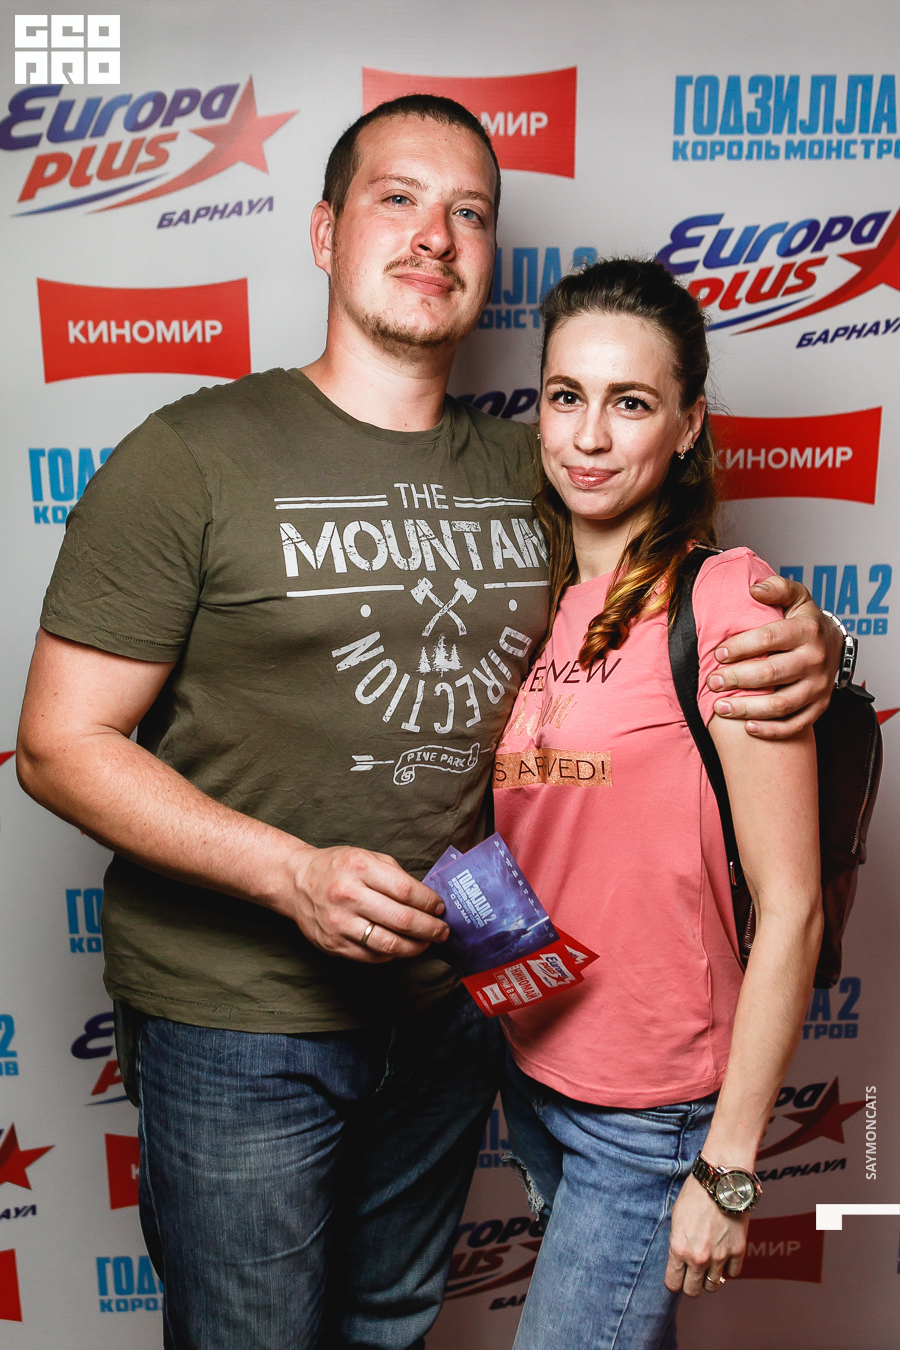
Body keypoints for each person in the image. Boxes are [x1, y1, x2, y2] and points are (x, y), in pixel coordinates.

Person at [16, 97, 838, 1350]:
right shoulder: (192, 457)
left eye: (469, 211)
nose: (434, 235)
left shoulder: (535, 469)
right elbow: (58, 745)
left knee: (391, 1324)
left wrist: (813, 638)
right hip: (240, 1017)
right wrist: (289, 873)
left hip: (454, 1012)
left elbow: (672, 589)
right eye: (397, 198)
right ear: (324, 231)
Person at [493, 258, 824, 1350]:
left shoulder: (726, 601)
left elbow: (793, 905)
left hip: (653, 1112)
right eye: (566, 396)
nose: (589, 437)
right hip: (532, 1069)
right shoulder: (537, 595)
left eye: (630, 403)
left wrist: (728, 1167)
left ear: (688, 425)